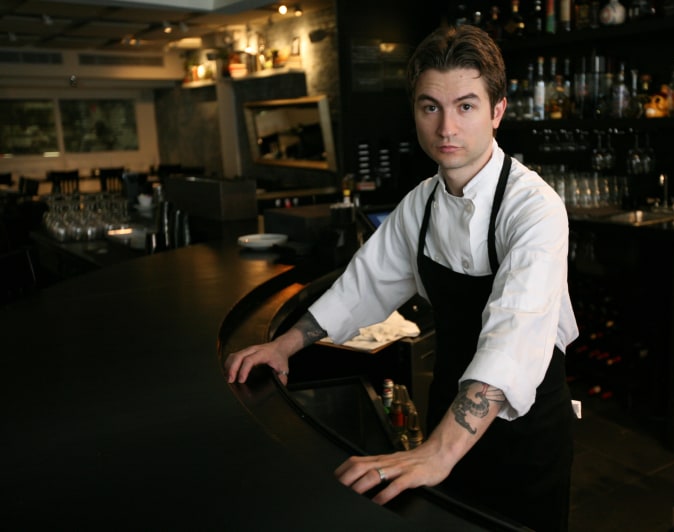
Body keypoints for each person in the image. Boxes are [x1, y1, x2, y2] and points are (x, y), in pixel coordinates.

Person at [225, 23, 578, 531]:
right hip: (448, 407)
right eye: (430, 106)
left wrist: (439, 450)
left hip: (525, 429)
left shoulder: (534, 209)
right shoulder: (422, 203)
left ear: (498, 111)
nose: (446, 128)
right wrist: (285, 346)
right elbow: (363, 285)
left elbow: (514, 333)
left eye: (466, 106)